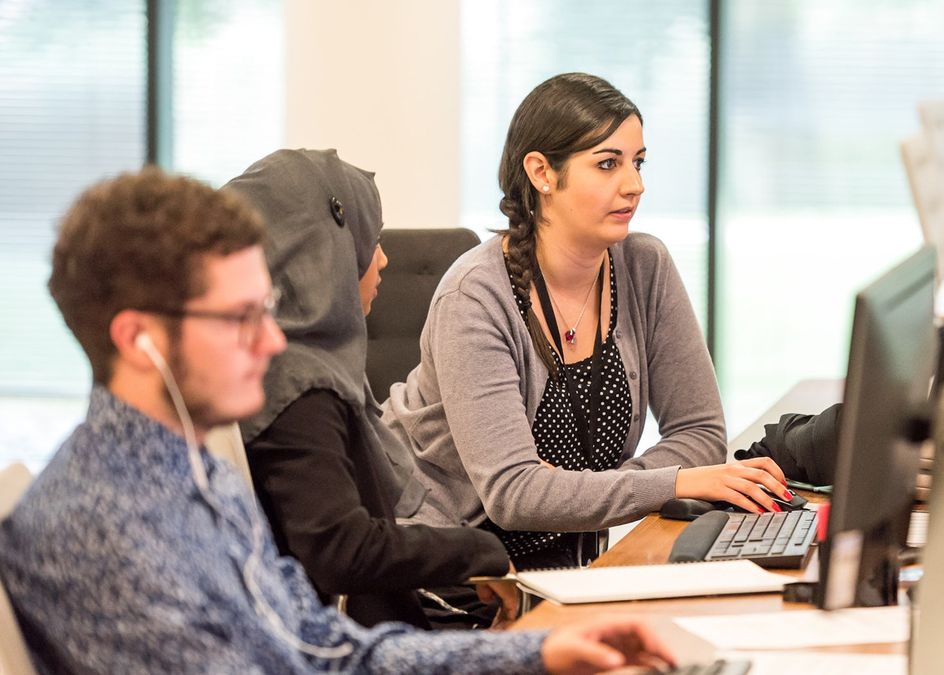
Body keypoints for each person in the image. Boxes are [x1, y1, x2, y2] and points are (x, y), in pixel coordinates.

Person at [0, 167, 673, 673]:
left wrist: (535, 652)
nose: (270, 342)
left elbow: (319, 644)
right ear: (136, 339)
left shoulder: (196, 476)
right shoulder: (104, 526)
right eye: (240, 317)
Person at [384, 72, 792, 570]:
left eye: (638, 163)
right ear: (541, 173)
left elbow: (700, 432)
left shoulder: (644, 266)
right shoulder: (475, 297)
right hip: (455, 575)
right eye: (607, 164)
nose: (635, 185)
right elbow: (514, 494)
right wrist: (673, 481)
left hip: (571, 565)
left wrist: (592, 492)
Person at [224, 148, 513, 630]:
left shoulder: (294, 366)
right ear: (326, 253)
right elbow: (341, 550)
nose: (382, 258)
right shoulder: (299, 387)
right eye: (370, 240)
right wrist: (479, 552)